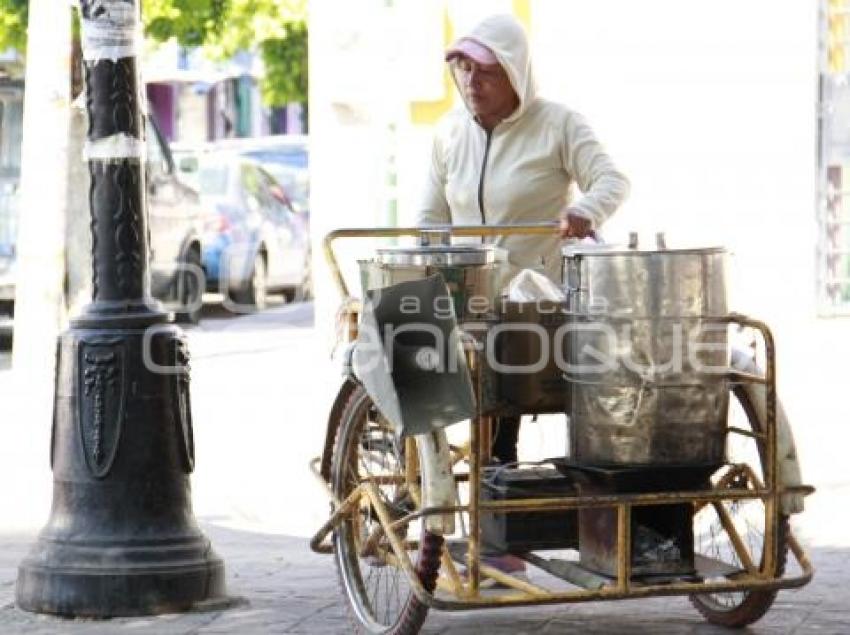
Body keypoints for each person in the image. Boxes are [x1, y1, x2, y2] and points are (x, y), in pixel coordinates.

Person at [415, 14, 630, 470]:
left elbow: (611, 180)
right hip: (464, 292)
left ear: (516, 72)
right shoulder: (450, 133)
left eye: (488, 71)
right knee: (404, 342)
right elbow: (431, 217)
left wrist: (583, 212)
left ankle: (497, 492)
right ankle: (418, 481)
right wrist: (426, 263)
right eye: (465, 68)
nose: (473, 81)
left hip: (532, 298)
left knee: (501, 404)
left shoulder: (558, 124)